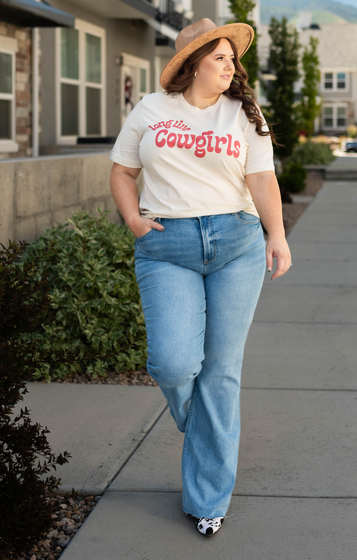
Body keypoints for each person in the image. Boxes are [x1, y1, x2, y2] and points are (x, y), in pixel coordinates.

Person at [109, 18, 292, 538]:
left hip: (236, 245)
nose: (231, 66)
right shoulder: (151, 109)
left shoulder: (244, 115)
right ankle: (208, 426)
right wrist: (133, 220)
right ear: (192, 64)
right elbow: (123, 170)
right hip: (167, 247)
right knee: (174, 362)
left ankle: (208, 499)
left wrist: (276, 236)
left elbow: (262, 178)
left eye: (233, 58)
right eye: (220, 58)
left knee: (221, 373)